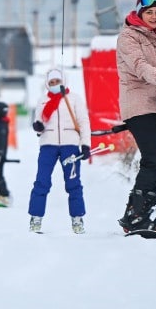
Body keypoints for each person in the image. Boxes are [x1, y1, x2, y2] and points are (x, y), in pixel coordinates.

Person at [114, 0, 156, 234]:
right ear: (140, 12)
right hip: (138, 103)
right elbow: (139, 65)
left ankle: (137, 212)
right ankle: (136, 216)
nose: (153, 16)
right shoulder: (128, 36)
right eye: (149, 12)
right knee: (153, 160)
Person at [28, 68, 92, 234]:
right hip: (48, 145)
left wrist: (85, 144)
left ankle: (77, 219)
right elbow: (38, 122)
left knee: (73, 183)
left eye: (57, 81)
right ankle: (36, 218)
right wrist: (38, 126)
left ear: (63, 81)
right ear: (47, 84)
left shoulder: (74, 99)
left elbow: (84, 122)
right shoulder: (42, 101)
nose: (55, 85)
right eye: (51, 82)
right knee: (41, 182)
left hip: (70, 145)